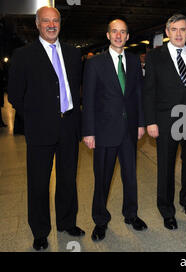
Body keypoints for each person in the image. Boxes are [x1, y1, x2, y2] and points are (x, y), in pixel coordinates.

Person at [7, 6, 85, 250]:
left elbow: (77, 90)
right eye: (46, 21)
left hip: (69, 126)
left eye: (55, 21)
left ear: (60, 24)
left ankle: (67, 221)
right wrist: (35, 116)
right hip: (40, 129)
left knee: (68, 179)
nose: (51, 25)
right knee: (39, 183)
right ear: (38, 25)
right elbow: (15, 95)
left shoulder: (74, 54)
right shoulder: (23, 55)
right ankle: (40, 231)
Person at [82, 18, 147, 241]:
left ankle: (131, 214)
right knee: (102, 178)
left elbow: (138, 94)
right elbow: (88, 99)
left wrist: (140, 123)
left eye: (123, 32)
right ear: (108, 35)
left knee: (130, 177)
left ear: (128, 36)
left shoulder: (133, 60)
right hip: (103, 131)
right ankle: (100, 220)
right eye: (114, 32)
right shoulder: (95, 63)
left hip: (129, 130)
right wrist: (88, 132)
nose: (119, 36)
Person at [142, 14, 186, 230]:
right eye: (174, 29)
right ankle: (166, 209)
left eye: (182, 29)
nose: (178, 34)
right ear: (167, 32)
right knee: (166, 167)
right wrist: (150, 121)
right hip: (165, 120)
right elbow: (149, 90)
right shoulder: (155, 57)